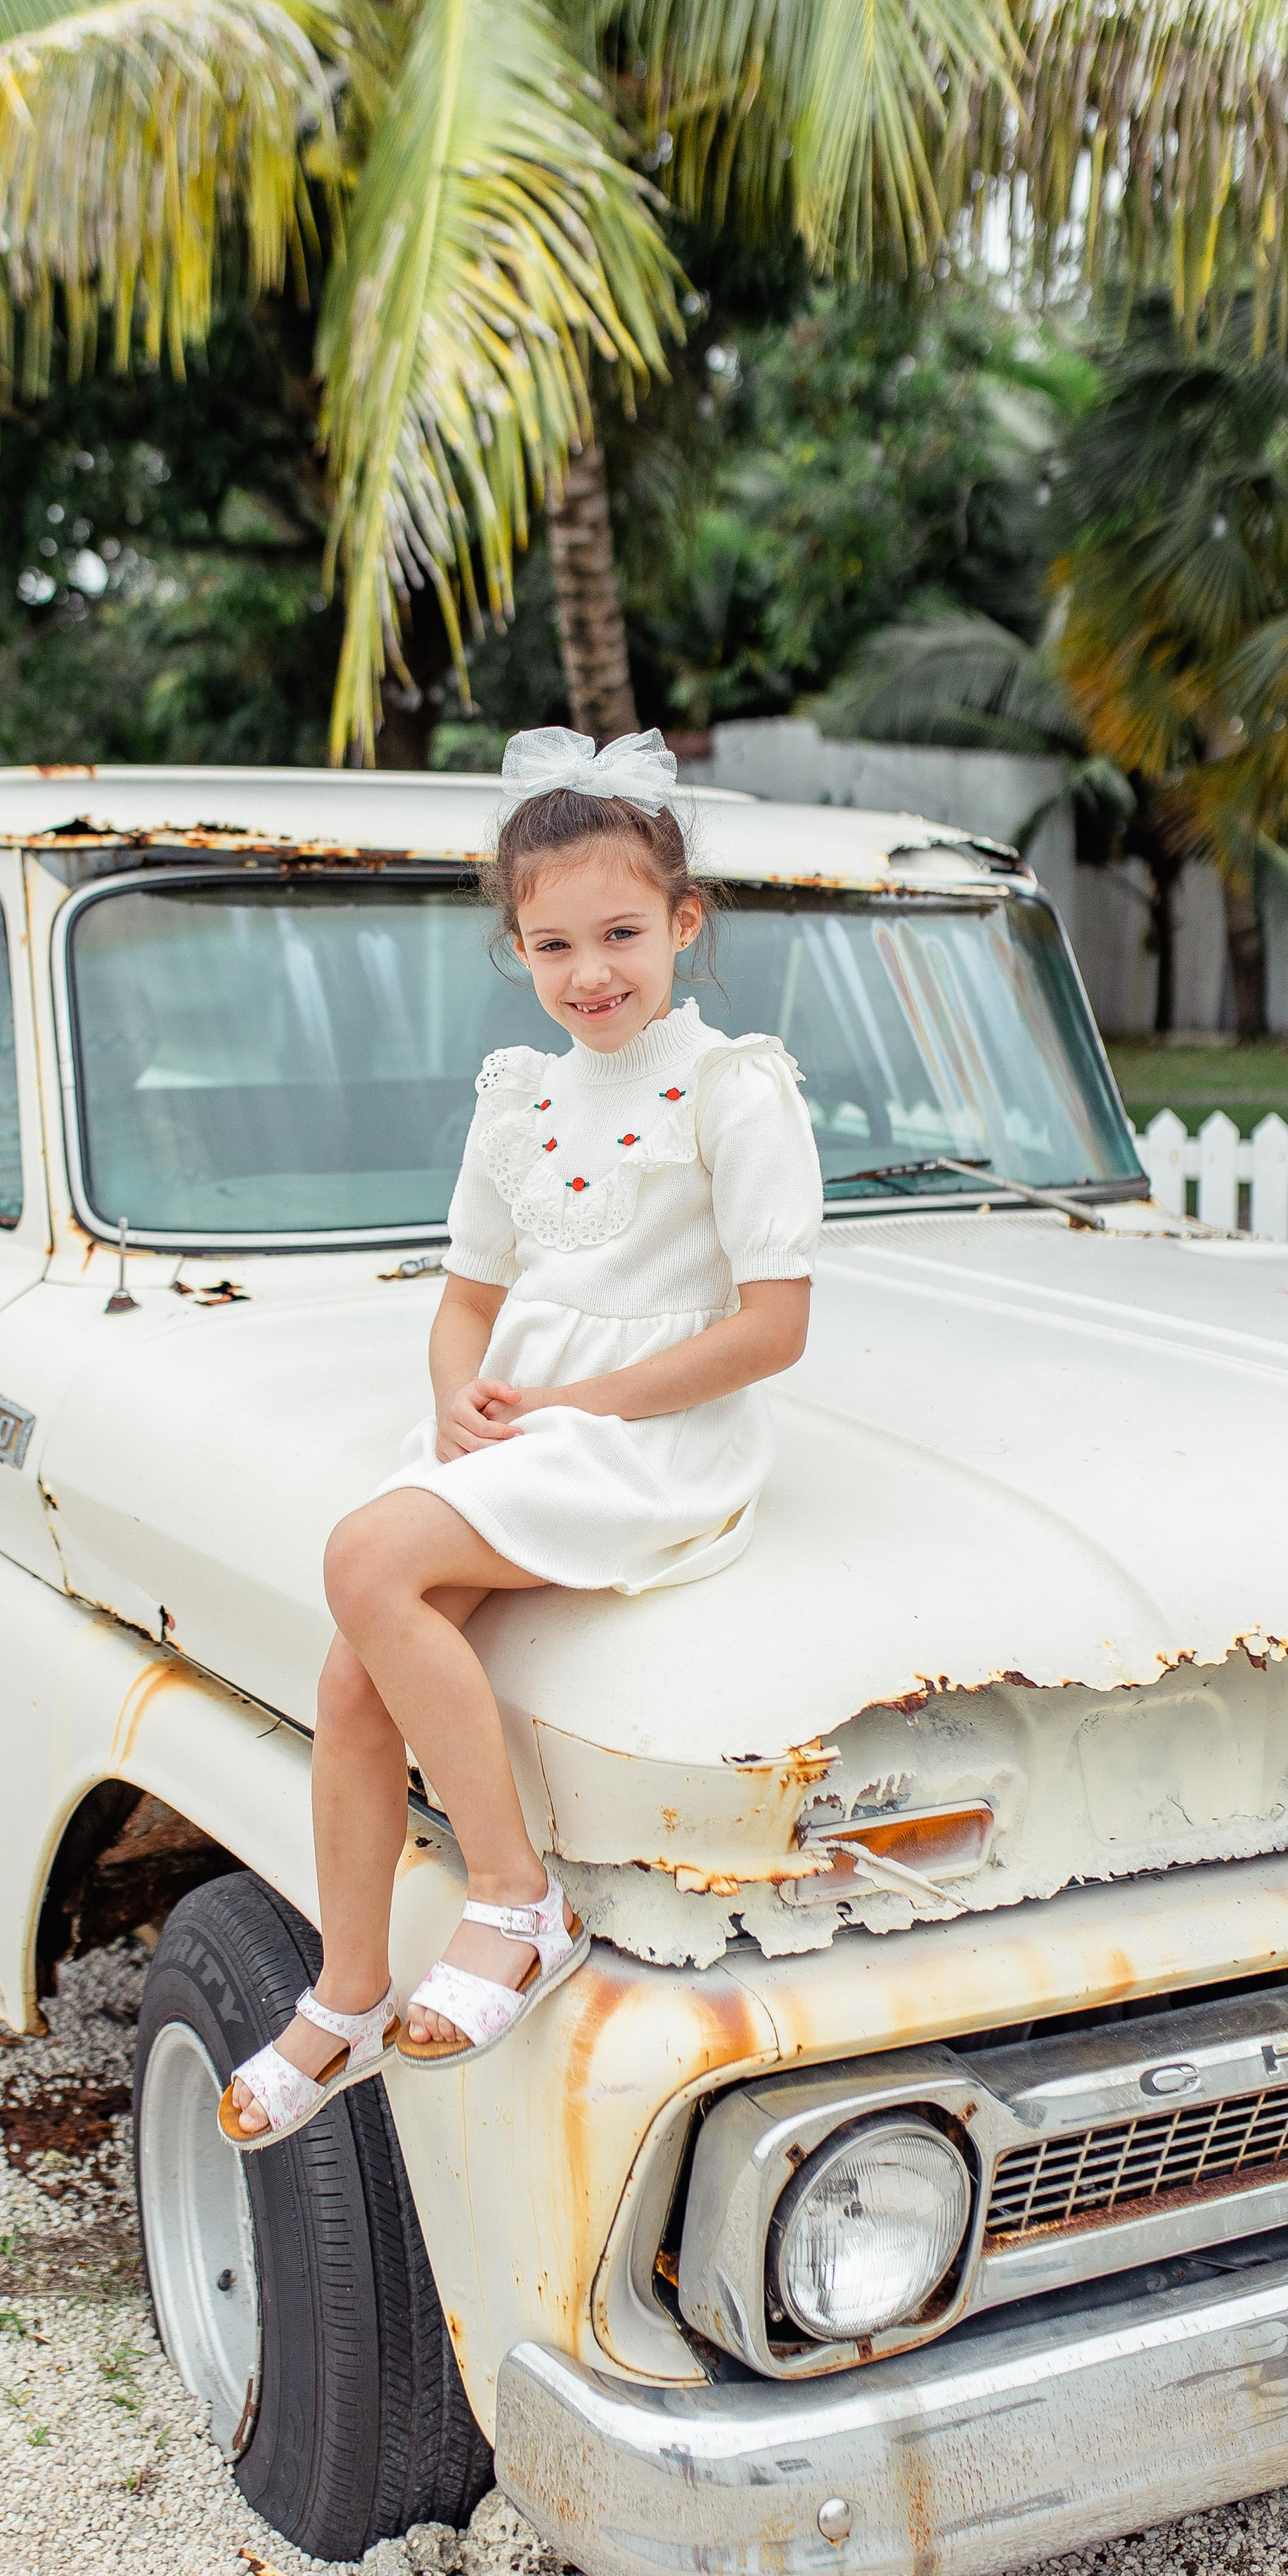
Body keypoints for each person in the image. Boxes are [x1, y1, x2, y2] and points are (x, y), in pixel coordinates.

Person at [221, 726, 823, 2148]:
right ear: (517, 949)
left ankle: (515, 1896)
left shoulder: (733, 1086)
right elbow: (468, 1301)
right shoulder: (519, 1096)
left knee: (363, 1559)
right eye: (552, 946)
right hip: (521, 1425)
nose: (590, 973)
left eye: (620, 932)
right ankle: (351, 1988)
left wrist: (570, 1408)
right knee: (351, 1679)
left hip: (652, 1436)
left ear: (684, 922)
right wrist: (453, 1393)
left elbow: (771, 1328)